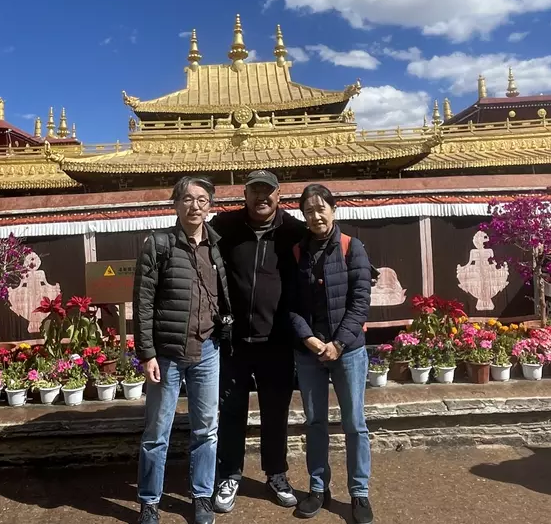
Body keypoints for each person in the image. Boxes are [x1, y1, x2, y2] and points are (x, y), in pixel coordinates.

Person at [133, 176, 233, 524]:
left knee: (206, 429)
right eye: (187, 199)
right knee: (156, 433)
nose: (195, 206)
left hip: (207, 350)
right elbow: (143, 302)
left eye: (202, 200)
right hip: (167, 353)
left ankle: (202, 495)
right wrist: (147, 353)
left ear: (210, 206)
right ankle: (149, 501)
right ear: (176, 204)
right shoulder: (159, 244)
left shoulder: (216, 246)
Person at [211, 169, 306, 512]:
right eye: (255, 191)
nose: (261, 197)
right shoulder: (224, 227)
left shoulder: (294, 231)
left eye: (268, 191)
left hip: (276, 340)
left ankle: (276, 473)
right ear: (245, 195)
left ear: (279, 195)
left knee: (275, 412)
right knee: (231, 411)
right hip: (234, 340)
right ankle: (229, 474)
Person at [288, 184, 374, 524]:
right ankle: (317, 487)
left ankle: (359, 492)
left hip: (348, 350)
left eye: (321, 208)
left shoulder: (352, 247)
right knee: (315, 422)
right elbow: (290, 305)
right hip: (310, 351)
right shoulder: (298, 252)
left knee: (354, 423)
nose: (315, 216)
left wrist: (338, 344)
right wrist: (309, 338)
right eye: (308, 211)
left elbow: (360, 302)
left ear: (333, 210)